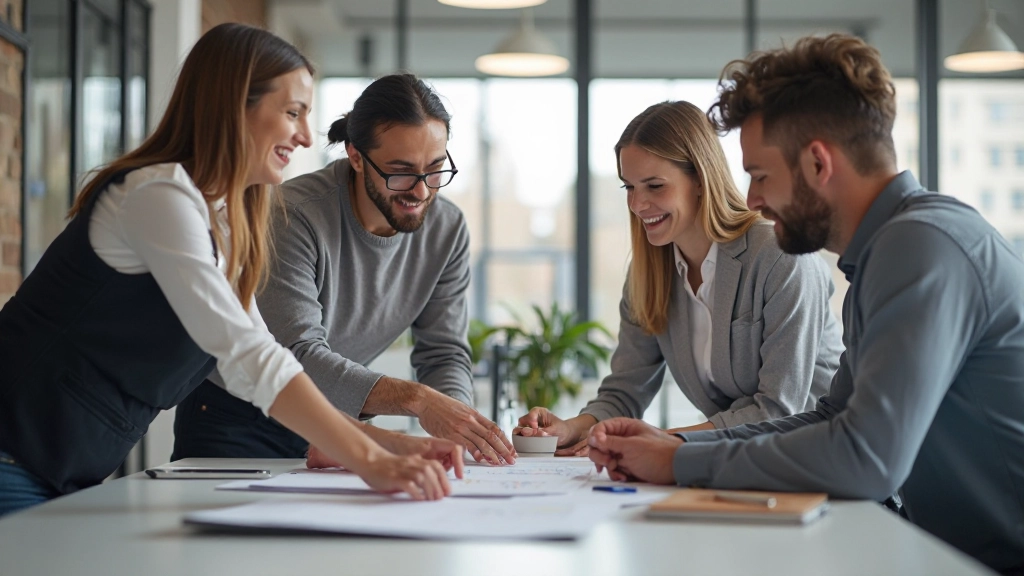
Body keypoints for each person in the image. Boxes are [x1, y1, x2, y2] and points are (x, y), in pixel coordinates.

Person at [587, 34, 1024, 574]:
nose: (751, 201)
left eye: (760, 175)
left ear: (818, 163)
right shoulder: (886, 253)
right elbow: (830, 417)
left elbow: (865, 459)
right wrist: (674, 452)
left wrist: (680, 458)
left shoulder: (922, 246)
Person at [0, 24, 461, 517]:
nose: (306, 136)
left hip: (60, 466)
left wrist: (385, 443)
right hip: (14, 453)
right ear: (235, 107)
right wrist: (371, 456)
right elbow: (248, 356)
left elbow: (263, 355)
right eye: (292, 113)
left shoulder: (221, 220)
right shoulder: (158, 196)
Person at [172, 73, 516, 466]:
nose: (421, 191)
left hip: (339, 420)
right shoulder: (292, 215)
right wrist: (419, 400)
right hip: (241, 419)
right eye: (401, 171)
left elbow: (444, 353)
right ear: (355, 156)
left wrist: (457, 424)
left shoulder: (447, 229)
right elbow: (299, 353)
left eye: (435, 169)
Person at [516, 100, 843, 455]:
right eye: (629, 187)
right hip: (739, 465)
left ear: (700, 180)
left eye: (655, 186)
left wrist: (665, 443)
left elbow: (778, 409)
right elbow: (624, 392)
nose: (638, 204)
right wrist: (571, 428)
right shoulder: (650, 272)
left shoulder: (778, 254)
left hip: (821, 462)